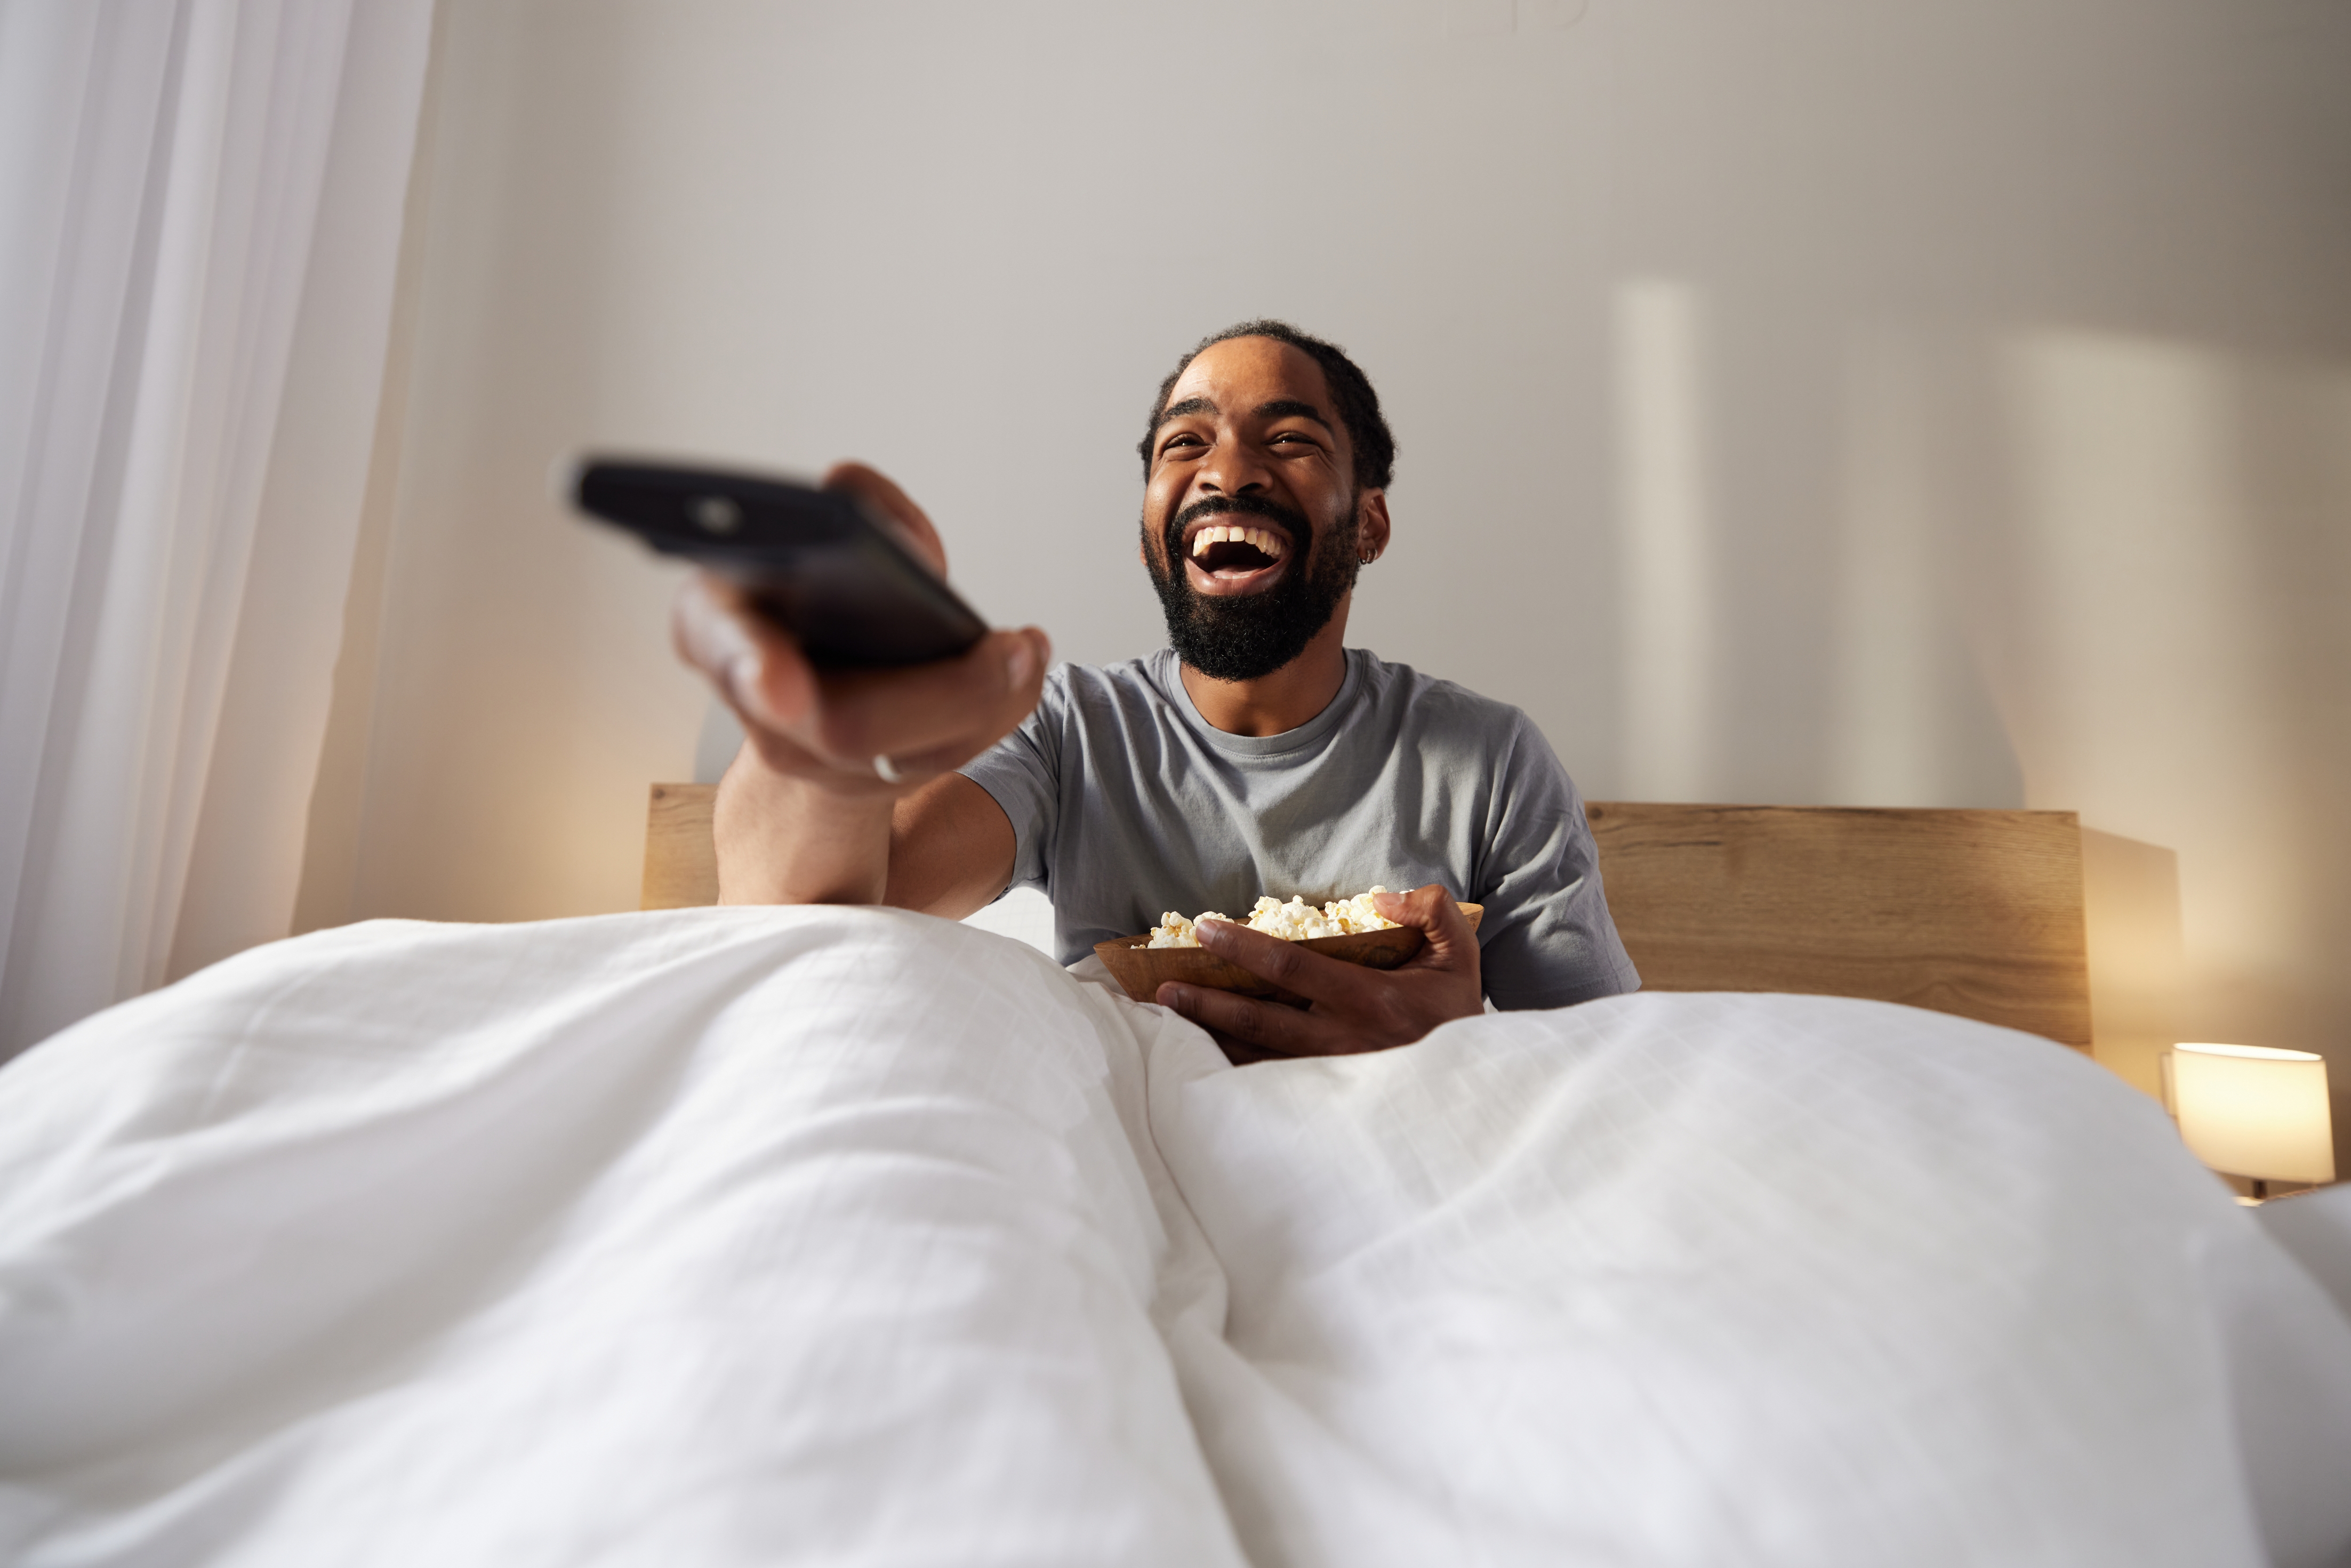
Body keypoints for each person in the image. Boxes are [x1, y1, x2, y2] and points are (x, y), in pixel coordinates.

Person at [672, 320, 1637, 1060]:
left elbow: (1614, 1070)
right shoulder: (1070, 731)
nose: (1227, 471)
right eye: (1185, 444)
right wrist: (821, 746)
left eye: (1290, 438)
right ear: (1150, 522)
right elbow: (817, 908)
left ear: (1370, 524)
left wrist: (1462, 1044)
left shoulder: (1492, 762)